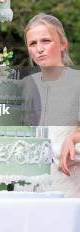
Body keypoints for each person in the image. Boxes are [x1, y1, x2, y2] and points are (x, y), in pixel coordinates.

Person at [23, 13, 79, 197]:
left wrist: (74, 138)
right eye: (33, 43)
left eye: (46, 41)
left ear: (62, 43)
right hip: (27, 188)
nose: (39, 49)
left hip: (67, 184)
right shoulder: (24, 86)